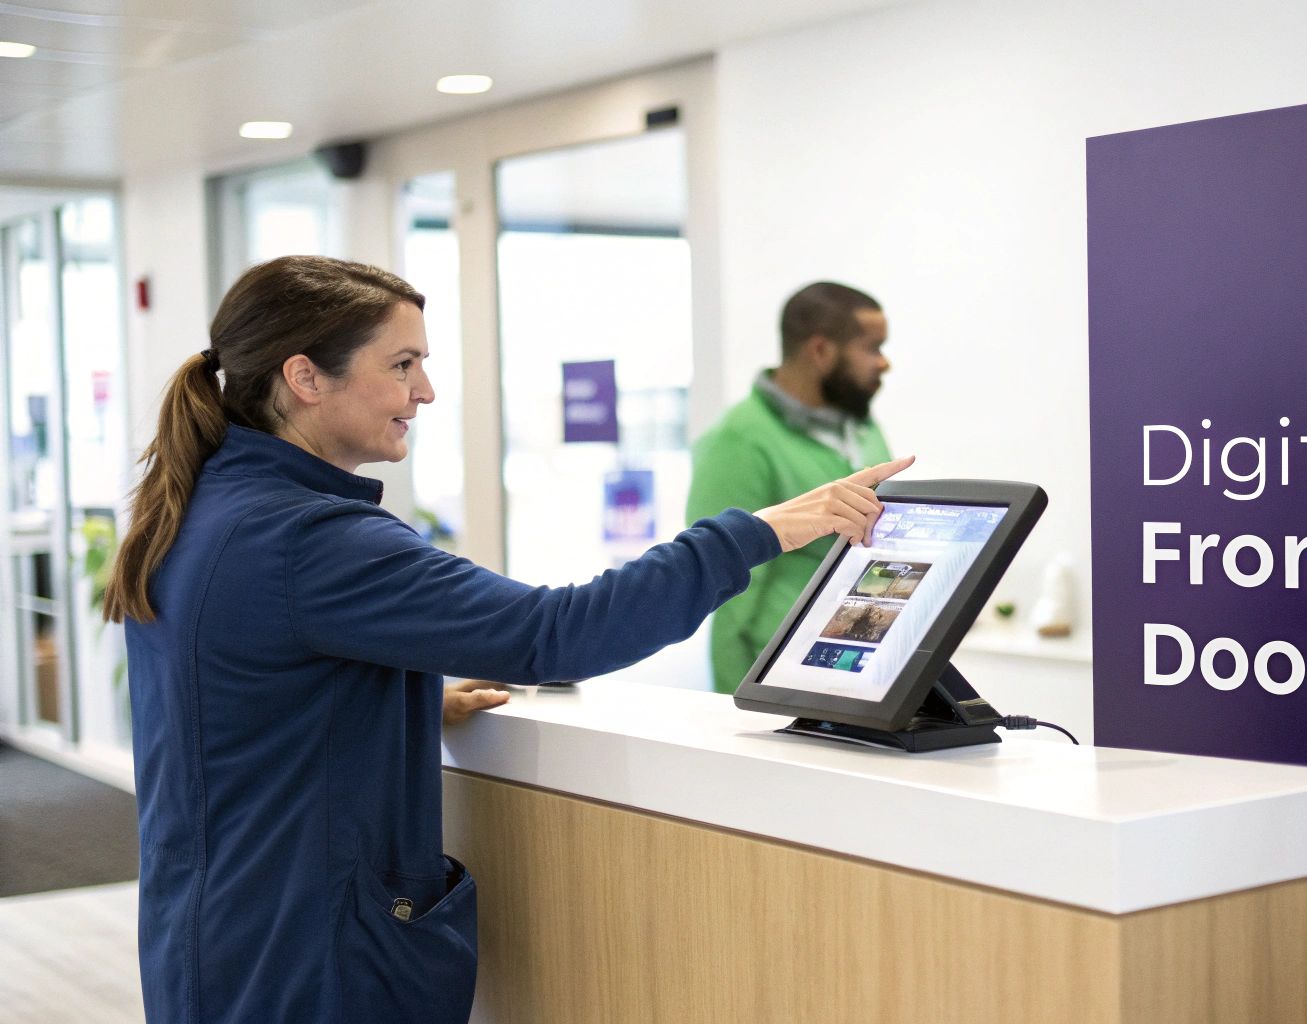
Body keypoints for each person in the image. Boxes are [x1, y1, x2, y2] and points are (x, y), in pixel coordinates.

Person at [107, 256, 912, 1024]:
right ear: (305, 376)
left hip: (225, 934)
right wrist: (763, 531)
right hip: (304, 960)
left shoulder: (209, 504)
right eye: (401, 365)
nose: (424, 391)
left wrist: (402, 698)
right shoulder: (308, 539)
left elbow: (236, 694)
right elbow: (553, 633)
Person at [687, 281, 894, 692]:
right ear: (821, 351)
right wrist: (735, 717)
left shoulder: (863, 428)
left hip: (866, 665)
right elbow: (724, 589)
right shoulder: (739, 442)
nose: (884, 363)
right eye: (872, 348)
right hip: (787, 679)